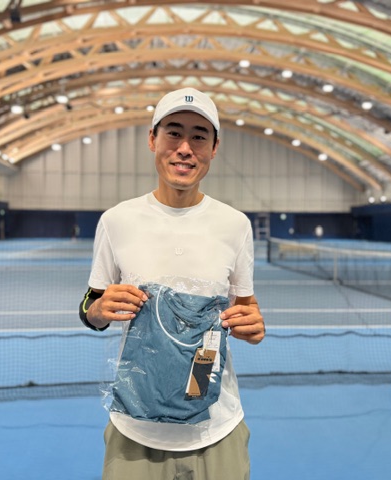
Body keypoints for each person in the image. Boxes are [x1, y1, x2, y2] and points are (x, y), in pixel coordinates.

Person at [79, 87, 265, 479]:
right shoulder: (117, 220)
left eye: (199, 136)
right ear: (153, 139)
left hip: (218, 428)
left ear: (214, 148)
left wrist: (253, 325)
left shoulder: (235, 225)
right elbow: (91, 308)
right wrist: (99, 309)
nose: (185, 148)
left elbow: (246, 309)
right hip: (134, 431)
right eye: (174, 133)